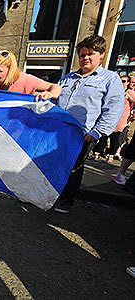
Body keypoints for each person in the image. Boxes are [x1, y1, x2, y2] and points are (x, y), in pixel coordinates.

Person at [0, 50, 62, 209]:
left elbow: (56, 87)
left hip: (13, 131)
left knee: (0, 161)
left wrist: (49, 93)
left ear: (10, 70)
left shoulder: (23, 79)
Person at [52, 35, 125, 213]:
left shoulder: (110, 79)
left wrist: (97, 132)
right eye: (82, 54)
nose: (85, 58)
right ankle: (50, 195)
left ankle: (66, 200)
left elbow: (114, 108)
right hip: (59, 132)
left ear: (101, 55)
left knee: (74, 168)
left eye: (90, 54)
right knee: (55, 164)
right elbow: (55, 101)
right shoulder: (68, 78)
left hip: (82, 134)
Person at [92, 75, 134, 162]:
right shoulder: (114, 91)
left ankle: (111, 155)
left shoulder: (129, 92)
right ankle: (97, 153)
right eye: (120, 80)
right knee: (103, 135)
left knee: (115, 138)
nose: (121, 83)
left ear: (128, 83)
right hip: (110, 117)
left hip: (120, 119)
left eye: (124, 81)